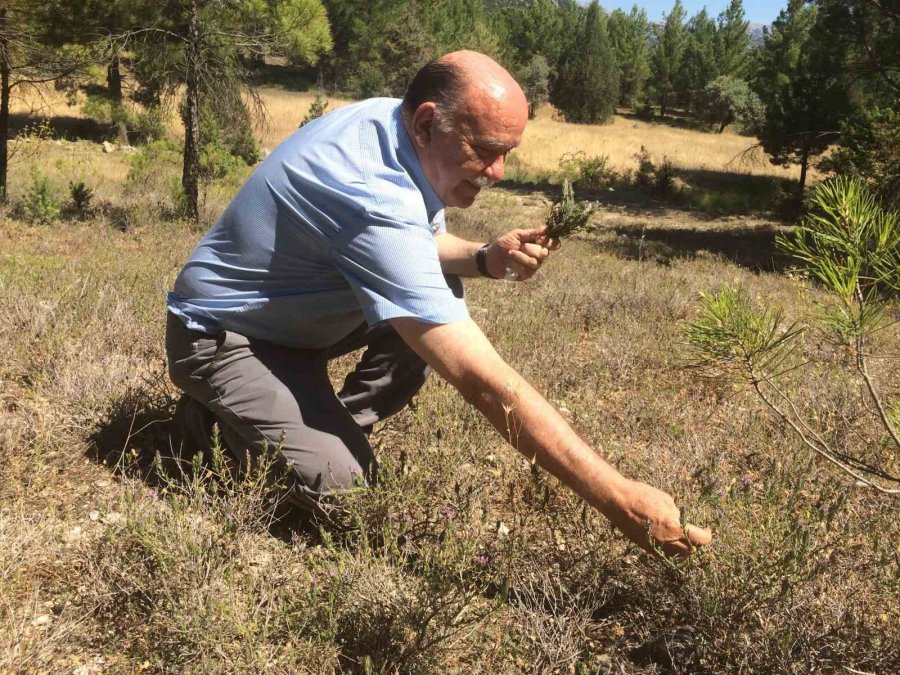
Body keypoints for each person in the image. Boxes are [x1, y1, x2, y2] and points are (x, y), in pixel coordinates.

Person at [166, 50, 712, 555]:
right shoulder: (369, 190)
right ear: (428, 123)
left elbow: (416, 244)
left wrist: (483, 257)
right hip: (224, 338)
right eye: (486, 150)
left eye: (507, 153)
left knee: (440, 287)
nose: (498, 173)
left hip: (300, 319)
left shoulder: (397, 125)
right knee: (349, 497)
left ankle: (333, 425)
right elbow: (479, 378)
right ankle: (209, 426)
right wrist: (617, 497)